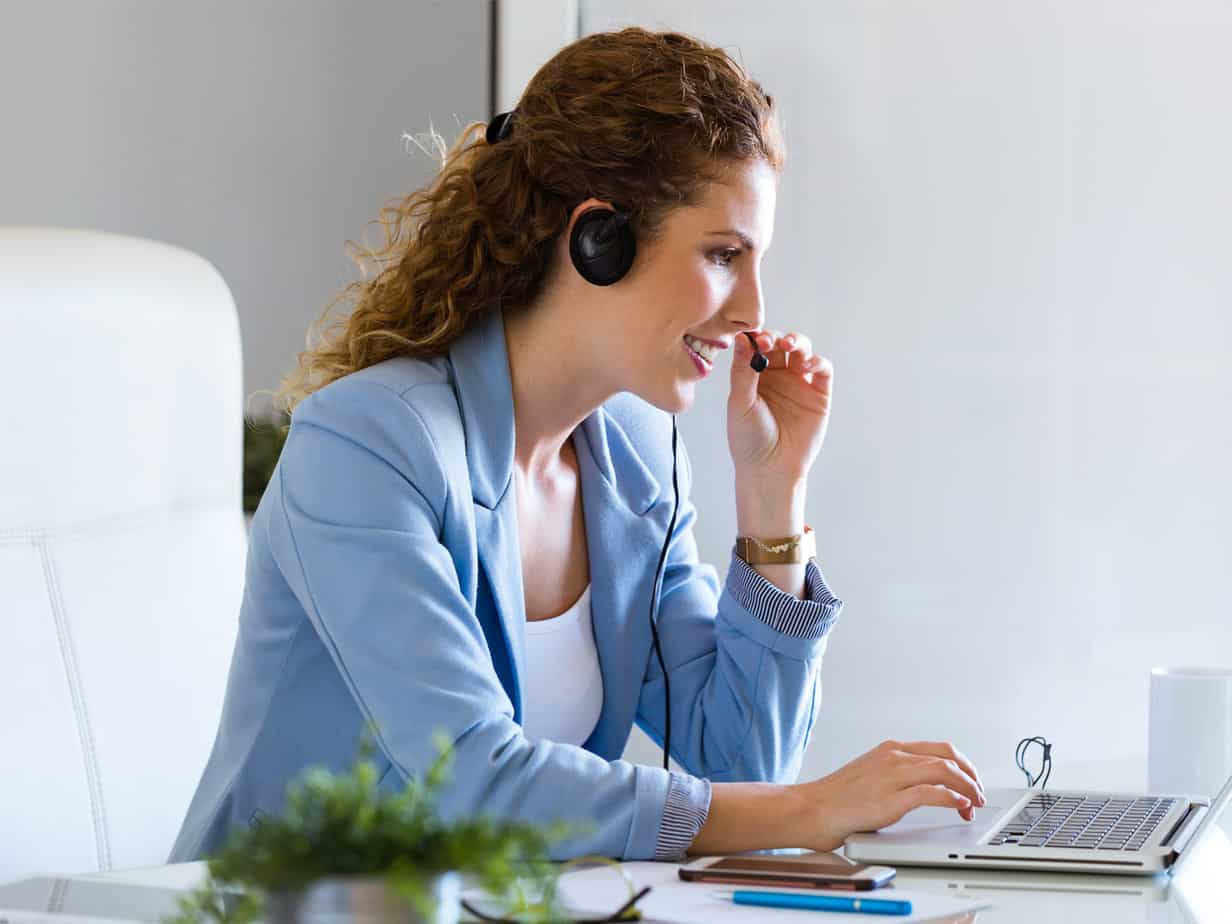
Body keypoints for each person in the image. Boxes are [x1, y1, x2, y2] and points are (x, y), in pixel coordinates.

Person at [170, 26, 984, 864]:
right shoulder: (370, 446)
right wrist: (808, 811)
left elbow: (745, 761)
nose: (752, 309)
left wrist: (772, 498)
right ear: (600, 241)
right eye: (722, 255)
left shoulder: (636, 459)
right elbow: (474, 785)